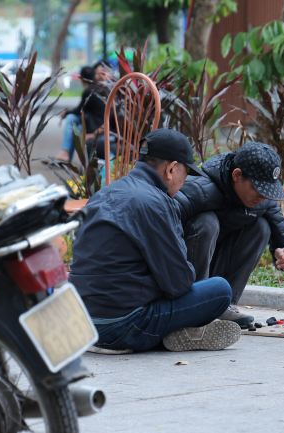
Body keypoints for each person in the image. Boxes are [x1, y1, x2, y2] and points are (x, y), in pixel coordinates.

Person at [70, 129, 241, 354]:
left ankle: (169, 332)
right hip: (123, 327)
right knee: (220, 290)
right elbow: (179, 283)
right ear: (171, 169)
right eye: (186, 173)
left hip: (82, 323)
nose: (185, 181)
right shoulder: (156, 202)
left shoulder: (106, 193)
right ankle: (171, 333)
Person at [174, 142, 284, 326]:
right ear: (237, 175)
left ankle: (224, 305)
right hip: (184, 273)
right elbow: (162, 228)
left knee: (261, 227)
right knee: (207, 222)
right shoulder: (199, 189)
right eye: (258, 188)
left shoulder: (264, 201)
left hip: (218, 265)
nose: (263, 197)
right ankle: (194, 305)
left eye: (268, 190)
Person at [53, 66, 106, 162]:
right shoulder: (99, 88)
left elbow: (80, 110)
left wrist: (66, 112)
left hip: (96, 125)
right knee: (72, 120)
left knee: (73, 124)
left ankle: (66, 153)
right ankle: (65, 154)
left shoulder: (90, 91)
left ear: (81, 79)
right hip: (95, 122)